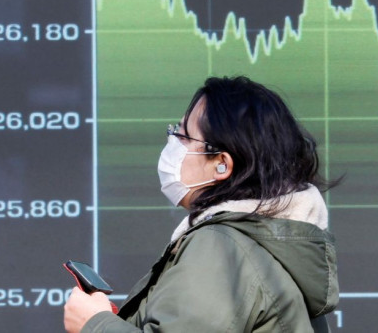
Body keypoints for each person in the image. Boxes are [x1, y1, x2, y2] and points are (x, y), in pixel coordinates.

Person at [64, 76, 339, 332]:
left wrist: (94, 323)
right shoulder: (259, 245)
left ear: (221, 164)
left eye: (183, 136)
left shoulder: (221, 248)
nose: (172, 143)